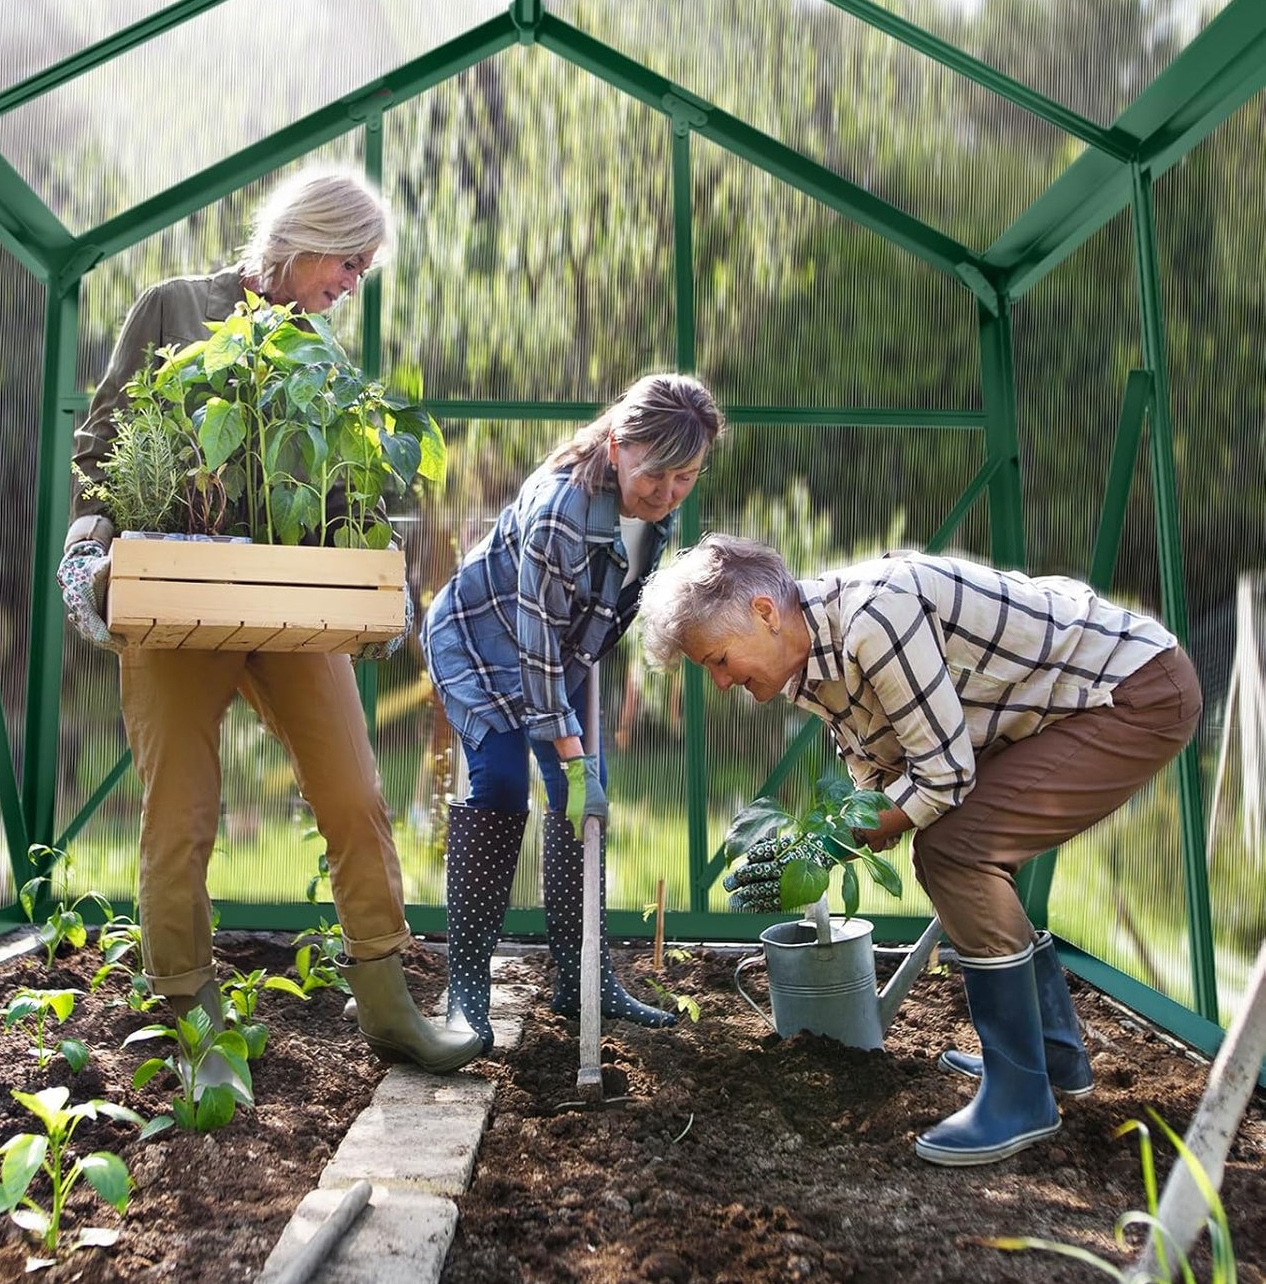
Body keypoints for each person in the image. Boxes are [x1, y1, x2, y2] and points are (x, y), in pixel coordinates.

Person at [55, 168, 482, 1085]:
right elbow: (101, 445)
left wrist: (376, 576)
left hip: (290, 606)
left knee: (354, 795)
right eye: (349, 260)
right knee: (181, 812)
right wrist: (88, 551)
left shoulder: (321, 360)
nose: (353, 282)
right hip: (178, 599)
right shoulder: (173, 309)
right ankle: (192, 1018)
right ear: (304, 236)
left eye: (366, 269)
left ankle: (388, 1002)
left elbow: (338, 496)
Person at [636, 536, 1202, 1166]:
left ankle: (1019, 1094)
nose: (718, 683)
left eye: (717, 659)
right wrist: (813, 854)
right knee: (959, 846)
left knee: (955, 850)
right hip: (1055, 713)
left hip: (1128, 691)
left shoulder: (875, 617)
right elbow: (879, 785)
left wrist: (829, 845)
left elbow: (942, 779)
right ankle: (1052, 1054)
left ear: (766, 613)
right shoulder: (809, 669)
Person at [423, 374, 724, 1053]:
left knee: (582, 800)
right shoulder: (560, 508)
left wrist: (578, 765)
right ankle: (468, 986)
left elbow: (600, 617)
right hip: (479, 639)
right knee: (500, 783)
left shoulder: (657, 508)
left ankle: (583, 977)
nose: (669, 491)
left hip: (560, 651)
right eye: (657, 473)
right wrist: (569, 750)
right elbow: (532, 654)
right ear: (616, 445)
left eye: (686, 476)